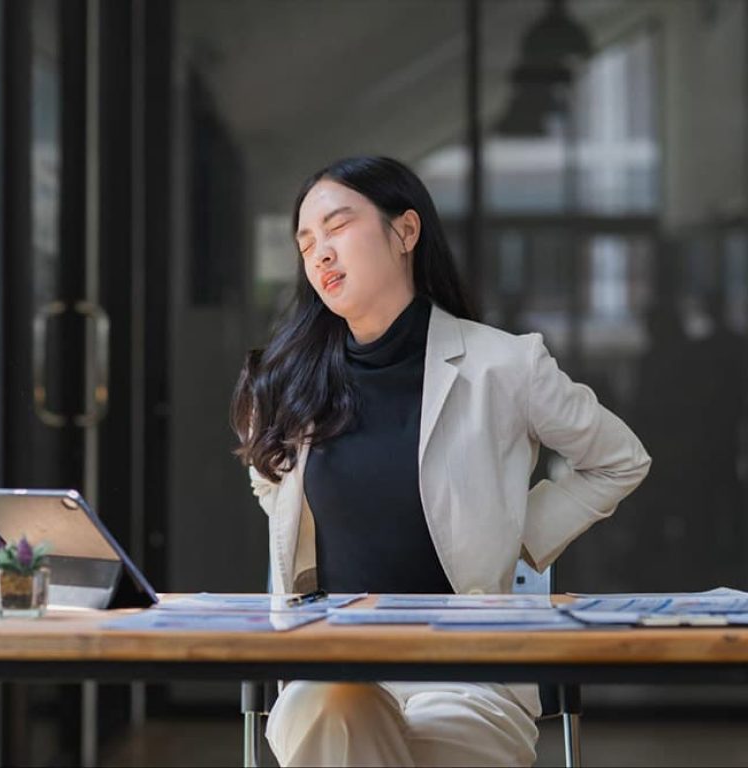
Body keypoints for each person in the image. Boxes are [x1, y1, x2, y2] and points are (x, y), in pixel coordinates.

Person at [232, 155, 651, 767]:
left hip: (467, 673)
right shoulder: (286, 383)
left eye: (338, 227)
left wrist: (517, 532)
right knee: (337, 704)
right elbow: (270, 484)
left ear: (405, 232)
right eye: (306, 242)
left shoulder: (504, 366)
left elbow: (618, 460)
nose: (320, 253)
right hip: (327, 666)